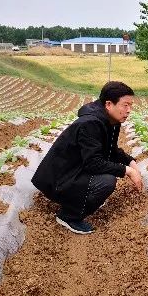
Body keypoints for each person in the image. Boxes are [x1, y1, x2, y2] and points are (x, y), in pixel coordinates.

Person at [32, 81, 142, 234]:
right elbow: (93, 163)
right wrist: (127, 171)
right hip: (58, 181)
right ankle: (68, 216)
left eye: (131, 105)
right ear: (109, 104)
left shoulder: (111, 121)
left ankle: (80, 199)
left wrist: (130, 161)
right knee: (107, 181)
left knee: (107, 173)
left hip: (73, 171)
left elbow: (110, 150)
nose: (129, 110)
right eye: (125, 105)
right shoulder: (90, 123)